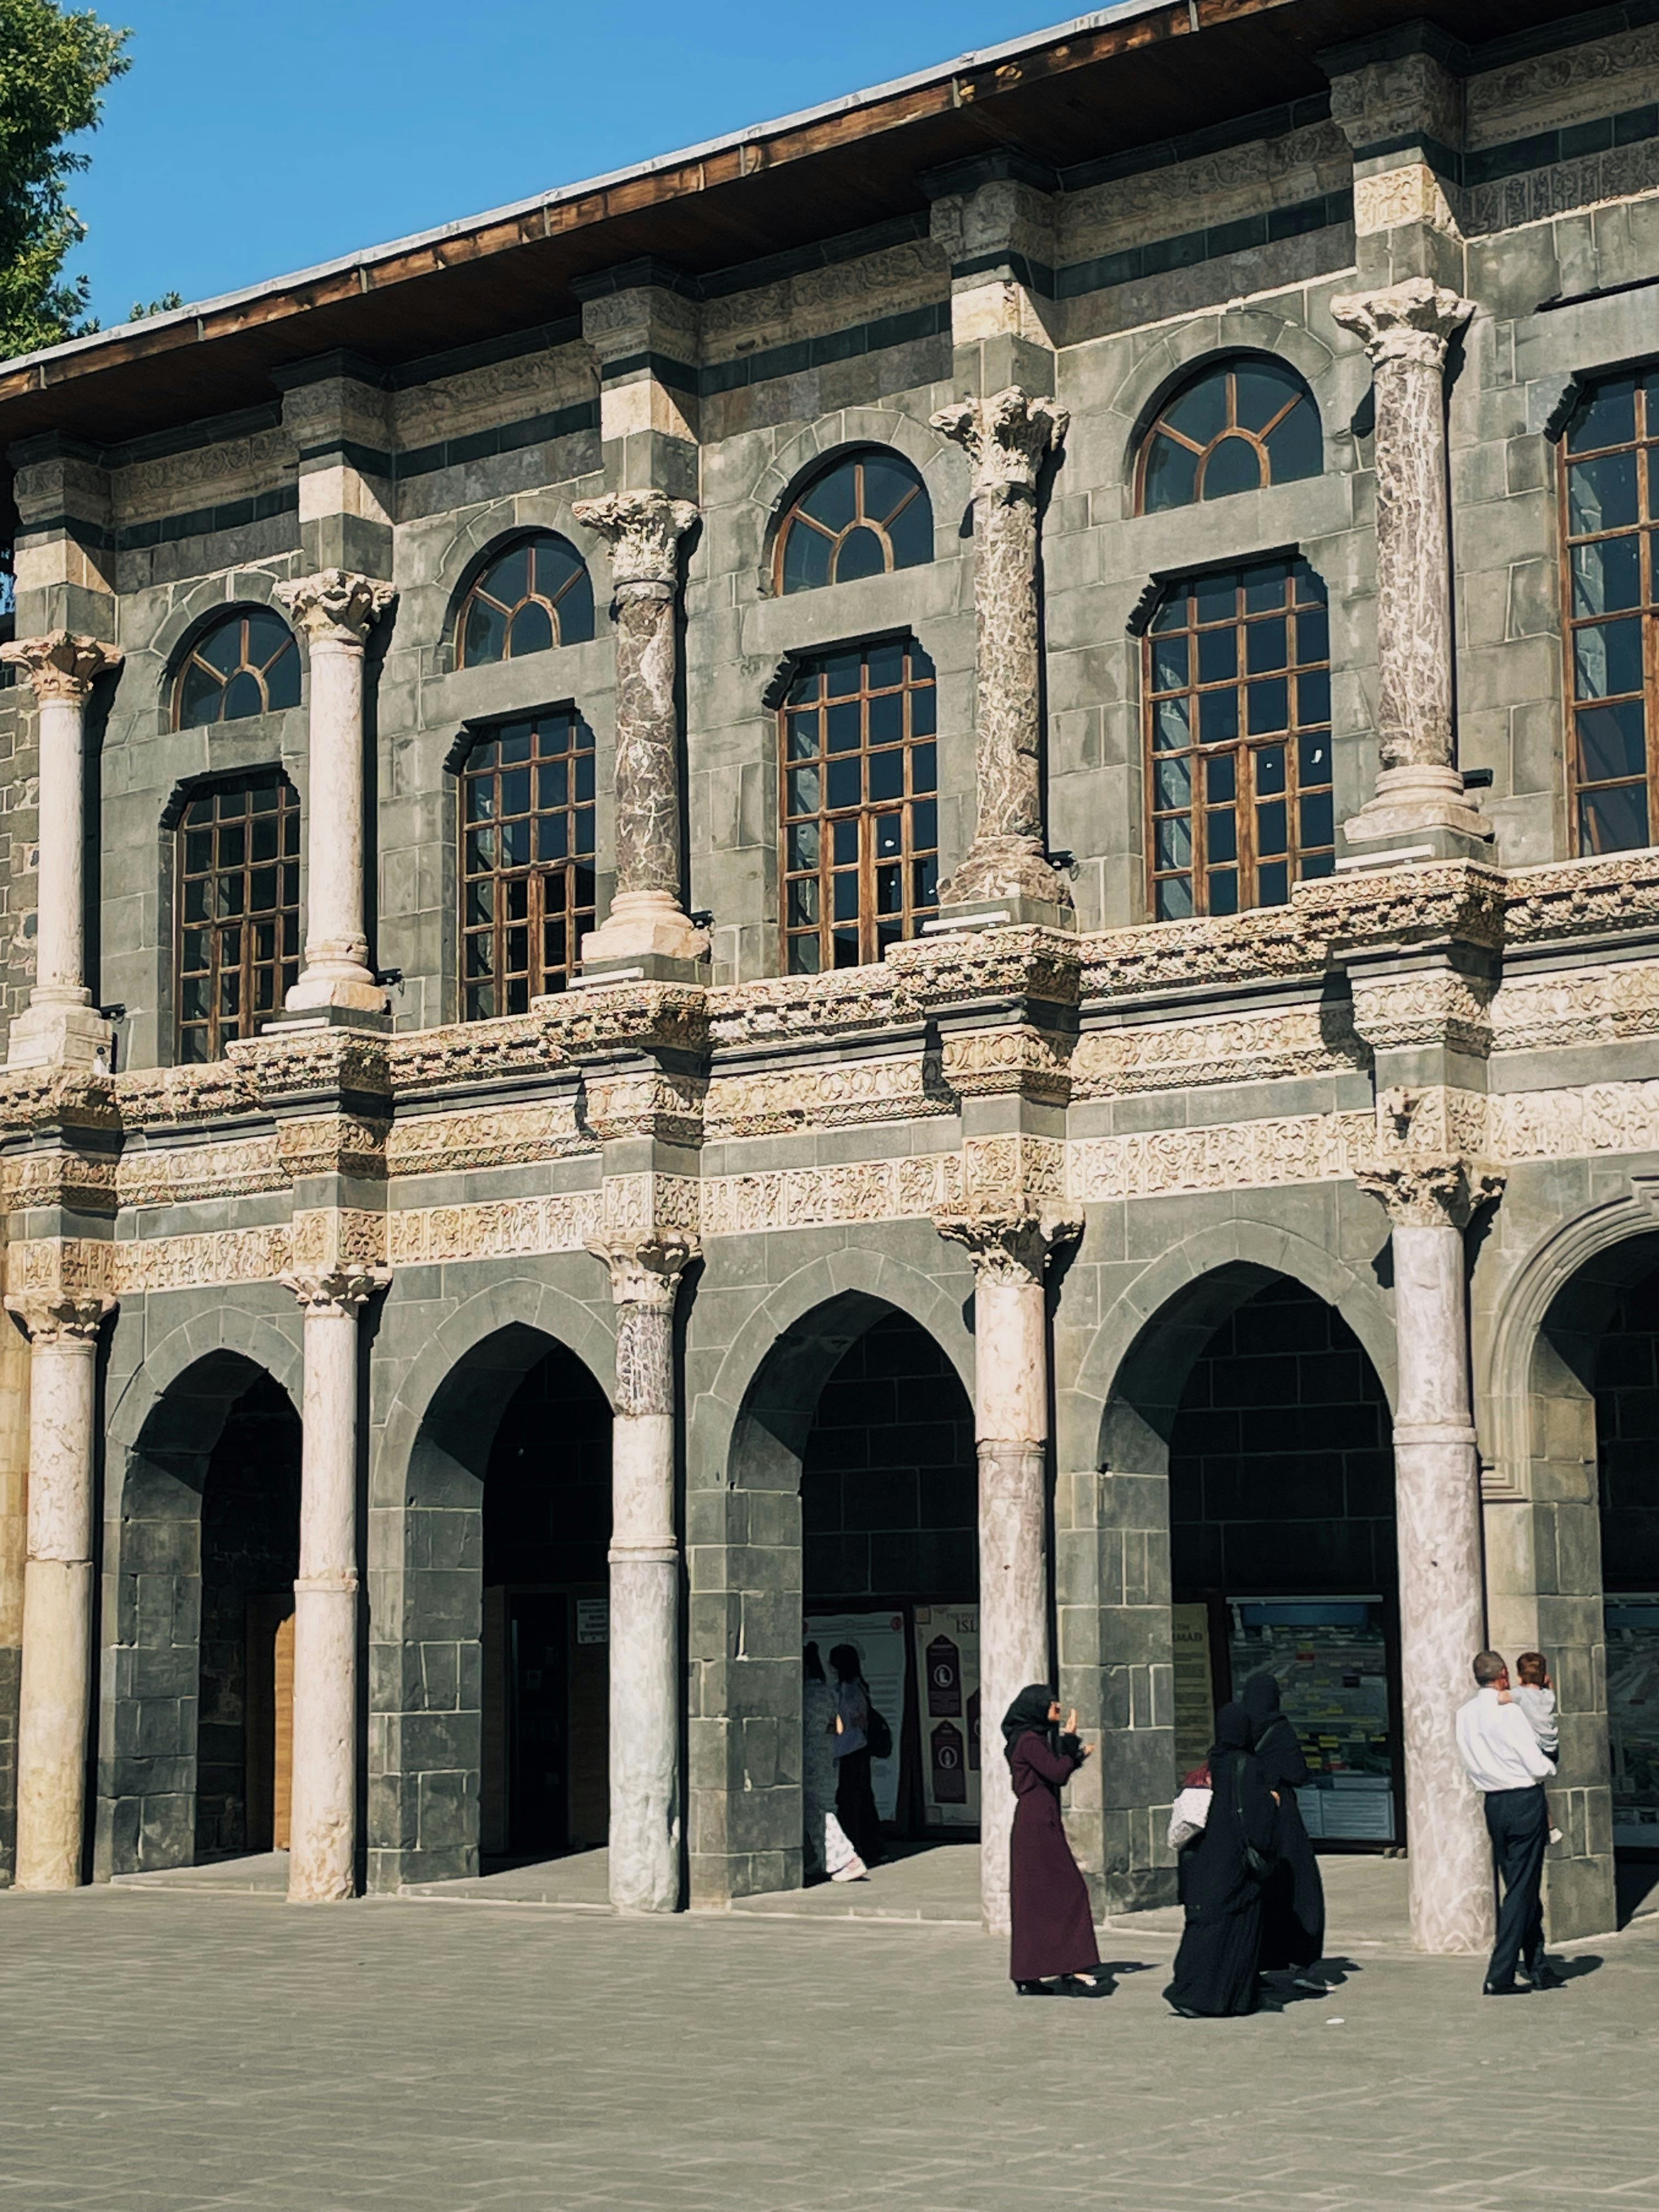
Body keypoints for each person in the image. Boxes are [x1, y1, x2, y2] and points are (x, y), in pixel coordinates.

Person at [1454, 1650, 1562, 1995]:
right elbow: (1536, 1762)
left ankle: (1537, 1965)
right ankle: (1500, 1974)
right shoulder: (1511, 1711)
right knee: (1521, 1888)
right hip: (1523, 1799)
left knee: (1522, 1883)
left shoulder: (1464, 1714)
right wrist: (1551, 1767)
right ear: (1503, 1674)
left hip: (1494, 1803)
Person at [1164, 1701, 1278, 2018]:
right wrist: (1273, 1804)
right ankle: (1228, 1998)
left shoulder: (1213, 1762)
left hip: (1206, 1860)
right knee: (1237, 1927)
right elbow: (1258, 1819)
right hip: (1236, 1864)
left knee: (1205, 1927)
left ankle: (1190, 1990)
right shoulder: (1248, 1766)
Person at [1001, 1684, 1103, 1997]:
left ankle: (1034, 1971)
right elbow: (1057, 1773)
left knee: (1038, 1898)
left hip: (1038, 1818)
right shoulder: (1030, 1741)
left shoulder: (1030, 1739)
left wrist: (1074, 1753)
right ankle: (1073, 1964)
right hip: (1037, 1822)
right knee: (1069, 1889)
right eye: (1053, 1708)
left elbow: (1053, 1770)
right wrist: (1071, 1742)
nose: (1058, 1713)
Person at [1240, 1671, 1326, 1994]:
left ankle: (1255, 1957)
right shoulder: (1280, 1730)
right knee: (1299, 1887)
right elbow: (1299, 1773)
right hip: (1282, 1819)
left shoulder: (1240, 1728)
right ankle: (1300, 1960)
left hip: (1247, 1816)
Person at [803, 1643, 866, 1883]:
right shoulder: (830, 1692)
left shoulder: (808, 1695)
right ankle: (821, 1859)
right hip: (830, 1758)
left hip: (812, 1762)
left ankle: (846, 1859)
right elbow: (837, 1727)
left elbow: (813, 1728)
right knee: (824, 1807)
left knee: (819, 1810)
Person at [1500, 1651, 1564, 1846]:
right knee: (1538, 1789)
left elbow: (1502, 1698)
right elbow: (1549, 1686)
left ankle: (1549, 1828)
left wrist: (1508, 1686)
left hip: (1537, 1750)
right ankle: (1550, 1828)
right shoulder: (1548, 1696)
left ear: (1519, 1677)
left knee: (1534, 1791)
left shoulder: (1520, 1694)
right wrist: (1546, 1682)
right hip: (1552, 1750)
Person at [828, 1643, 883, 1867]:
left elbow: (847, 1720)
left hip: (850, 1750)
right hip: (857, 1749)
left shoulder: (847, 1690)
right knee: (862, 1799)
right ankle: (872, 1847)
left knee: (850, 1801)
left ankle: (856, 1846)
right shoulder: (858, 1687)